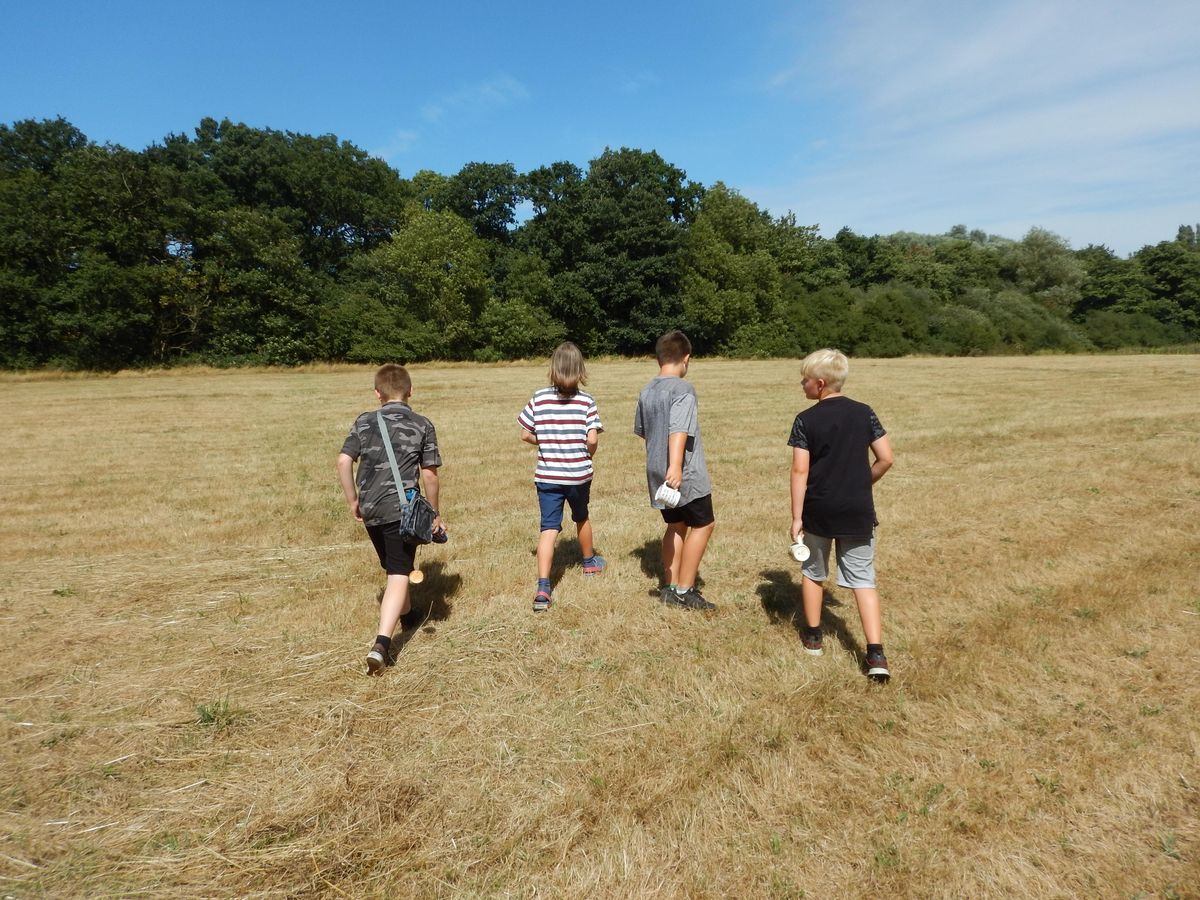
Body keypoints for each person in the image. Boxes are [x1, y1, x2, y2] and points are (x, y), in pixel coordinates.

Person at [788, 348, 894, 681]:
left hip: (818, 508)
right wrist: (864, 482)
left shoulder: (805, 419)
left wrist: (796, 517)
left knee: (813, 572)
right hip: (858, 510)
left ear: (820, 384)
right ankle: (875, 653)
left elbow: (799, 471)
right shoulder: (865, 413)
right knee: (863, 580)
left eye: (804, 379)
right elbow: (886, 458)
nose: (801, 384)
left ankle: (814, 637)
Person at [337, 364, 445, 675]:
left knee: (395, 565)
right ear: (410, 391)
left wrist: (353, 500)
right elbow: (430, 475)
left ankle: (409, 616)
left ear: (377, 393)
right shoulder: (422, 424)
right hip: (402, 508)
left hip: (371, 508)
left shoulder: (364, 421)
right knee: (398, 573)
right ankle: (382, 644)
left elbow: (343, 460)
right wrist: (434, 513)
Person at [517, 342, 606, 611]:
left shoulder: (539, 398)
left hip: (547, 476)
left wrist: (545, 441)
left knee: (548, 528)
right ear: (580, 370)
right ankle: (589, 563)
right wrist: (586, 453)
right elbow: (592, 440)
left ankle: (543, 586)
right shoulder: (587, 401)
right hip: (578, 476)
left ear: (552, 369)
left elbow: (524, 433)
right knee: (582, 517)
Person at [634, 330, 716, 610]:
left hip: (657, 474)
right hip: (682, 473)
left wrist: (664, 464)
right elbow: (679, 428)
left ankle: (669, 587)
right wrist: (676, 466)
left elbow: (643, 432)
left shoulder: (647, 390)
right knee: (703, 524)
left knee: (675, 525)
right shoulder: (683, 389)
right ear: (686, 358)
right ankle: (685, 589)